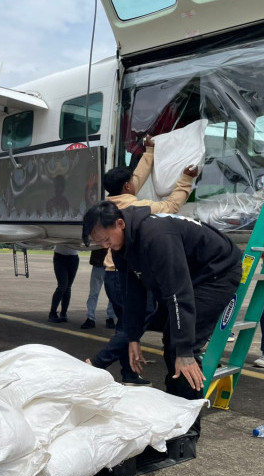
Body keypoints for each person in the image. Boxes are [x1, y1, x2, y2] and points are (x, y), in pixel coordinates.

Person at [82, 201, 242, 430]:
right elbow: (134, 296)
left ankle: (188, 429)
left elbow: (179, 293)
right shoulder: (122, 247)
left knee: (180, 348)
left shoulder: (156, 237)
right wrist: (134, 337)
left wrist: (185, 350)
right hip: (190, 275)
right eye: (100, 243)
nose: (106, 245)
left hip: (216, 272)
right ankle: (176, 413)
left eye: (107, 239)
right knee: (173, 340)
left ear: (120, 223)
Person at [87, 135, 198, 385]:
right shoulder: (138, 208)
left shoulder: (108, 204)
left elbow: (136, 178)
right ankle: (96, 363)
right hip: (127, 276)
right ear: (127, 186)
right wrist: (186, 180)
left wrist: (149, 151)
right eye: (132, 182)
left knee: (126, 324)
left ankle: (128, 374)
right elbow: (170, 206)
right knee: (135, 321)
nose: (135, 183)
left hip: (110, 276)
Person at [80, 247, 115, 329]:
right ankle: (94, 318)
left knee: (110, 294)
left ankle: (107, 318)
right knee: (95, 293)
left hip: (109, 264)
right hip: (102, 263)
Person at [48, 245, 80, 323]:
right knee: (62, 286)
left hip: (74, 258)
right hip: (60, 257)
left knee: (68, 286)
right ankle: (52, 313)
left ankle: (63, 313)